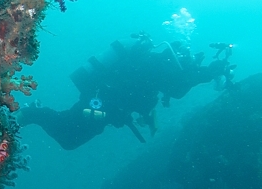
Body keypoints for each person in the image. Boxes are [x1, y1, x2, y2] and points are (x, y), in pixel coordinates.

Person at [20, 32, 235, 150]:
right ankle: (30, 113)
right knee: (68, 137)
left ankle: (33, 113)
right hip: (100, 100)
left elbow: (159, 91)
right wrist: (207, 74)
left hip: (104, 102)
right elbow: (176, 89)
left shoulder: (157, 66)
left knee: (69, 136)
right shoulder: (159, 65)